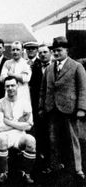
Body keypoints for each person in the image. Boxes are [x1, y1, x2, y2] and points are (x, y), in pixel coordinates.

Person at [39, 36, 86, 181]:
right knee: (53, 140)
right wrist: (42, 107)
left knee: (73, 140)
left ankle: (77, 169)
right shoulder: (49, 69)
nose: (56, 53)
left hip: (69, 109)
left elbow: (83, 89)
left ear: (66, 50)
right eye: (54, 51)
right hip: (52, 109)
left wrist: (81, 108)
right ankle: (55, 166)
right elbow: (43, 90)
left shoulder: (77, 66)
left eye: (59, 50)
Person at [0, 76, 36, 184]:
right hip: (4, 134)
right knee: (2, 139)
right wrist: (18, 123)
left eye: (13, 85)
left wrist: (8, 122)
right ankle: (3, 173)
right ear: (4, 88)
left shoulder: (25, 102)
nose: (10, 88)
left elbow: (29, 125)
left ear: (17, 86)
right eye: (7, 86)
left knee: (31, 140)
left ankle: (26, 173)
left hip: (20, 135)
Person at [29, 44, 51, 169]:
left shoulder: (55, 67)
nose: (43, 54)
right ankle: (40, 159)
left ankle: (54, 161)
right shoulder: (35, 67)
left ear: (50, 53)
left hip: (53, 106)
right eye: (41, 52)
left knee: (52, 134)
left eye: (45, 52)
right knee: (39, 132)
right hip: (38, 105)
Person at [0, 41, 31, 108]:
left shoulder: (27, 63)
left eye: (17, 49)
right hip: (9, 93)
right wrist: (19, 76)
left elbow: (26, 78)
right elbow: (2, 78)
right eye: (13, 50)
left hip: (22, 93)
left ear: (22, 50)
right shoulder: (7, 63)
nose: (15, 52)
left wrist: (11, 74)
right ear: (11, 51)